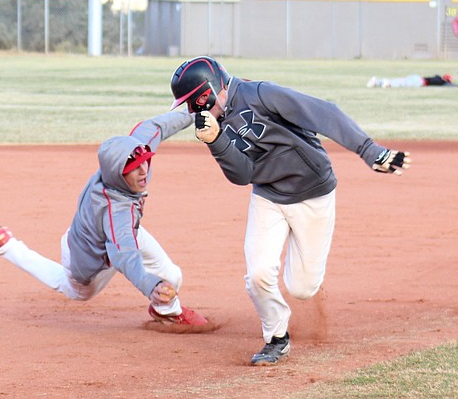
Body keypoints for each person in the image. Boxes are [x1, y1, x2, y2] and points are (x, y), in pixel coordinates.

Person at [169, 56, 411, 366]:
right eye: (190, 105)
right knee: (257, 275)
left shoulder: (261, 95)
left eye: (197, 101)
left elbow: (325, 113)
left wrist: (370, 150)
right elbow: (242, 175)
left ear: (213, 88)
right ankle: (276, 337)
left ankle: (304, 274)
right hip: (268, 196)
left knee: (302, 287)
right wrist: (216, 141)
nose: (195, 111)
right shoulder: (213, 126)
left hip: (313, 194)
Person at [0, 110, 210, 326]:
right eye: (135, 168)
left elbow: (154, 127)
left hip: (108, 233)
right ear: (118, 173)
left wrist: (196, 113)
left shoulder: (127, 160)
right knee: (70, 288)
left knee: (171, 275)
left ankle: (167, 312)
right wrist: (149, 285)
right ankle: (10, 248)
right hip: (88, 259)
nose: (143, 171)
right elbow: (124, 256)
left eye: (145, 161)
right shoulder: (116, 211)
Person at [366, 74, 457, 88]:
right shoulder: (440, 81)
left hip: (417, 77)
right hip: (419, 82)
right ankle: (386, 83)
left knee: (400, 81)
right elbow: (448, 85)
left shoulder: (437, 77)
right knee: (401, 83)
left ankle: (377, 81)